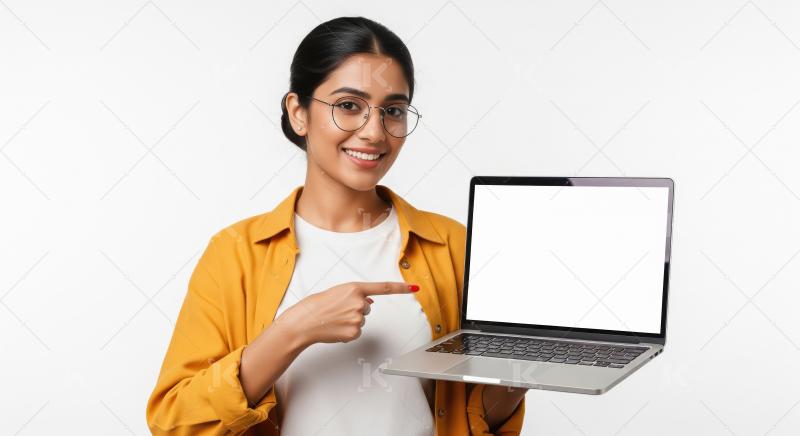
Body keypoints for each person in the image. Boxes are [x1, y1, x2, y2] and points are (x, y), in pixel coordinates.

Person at [146, 16, 526, 435]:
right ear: (299, 113)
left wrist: (520, 372)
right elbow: (175, 422)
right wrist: (293, 330)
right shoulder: (236, 252)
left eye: (393, 111)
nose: (374, 132)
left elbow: (477, 422)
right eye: (349, 106)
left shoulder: (451, 245)